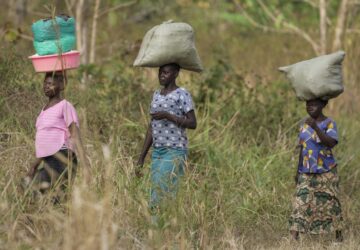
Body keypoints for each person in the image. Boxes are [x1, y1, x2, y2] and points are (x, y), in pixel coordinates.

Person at [137, 63, 197, 210]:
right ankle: (163, 228)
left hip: (175, 150)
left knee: (161, 189)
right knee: (157, 190)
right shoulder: (156, 95)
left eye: (166, 73)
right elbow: (152, 127)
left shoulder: (182, 94)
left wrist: (168, 116)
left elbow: (193, 123)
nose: (162, 75)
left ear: (176, 74)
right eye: (160, 72)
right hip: (158, 152)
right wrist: (141, 158)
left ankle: (158, 226)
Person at [26, 71, 90, 195]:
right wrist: (34, 166)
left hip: (63, 158)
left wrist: (86, 165)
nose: (46, 86)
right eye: (45, 83)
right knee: (32, 189)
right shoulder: (43, 111)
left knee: (52, 196)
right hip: (49, 159)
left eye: (51, 83)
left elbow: (75, 135)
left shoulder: (65, 106)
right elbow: (47, 145)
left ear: (61, 86)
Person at [289, 99, 343, 241]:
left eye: (313, 105)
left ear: (323, 105)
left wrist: (316, 128)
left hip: (326, 170)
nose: (310, 107)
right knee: (300, 202)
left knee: (331, 203)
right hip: (306, 170)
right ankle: (294, 237)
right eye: (308, 104)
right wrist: (297, 172)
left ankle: (338, 236)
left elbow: (331, 143)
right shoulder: (303, 125)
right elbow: (303, 148)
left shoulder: (329, 123)